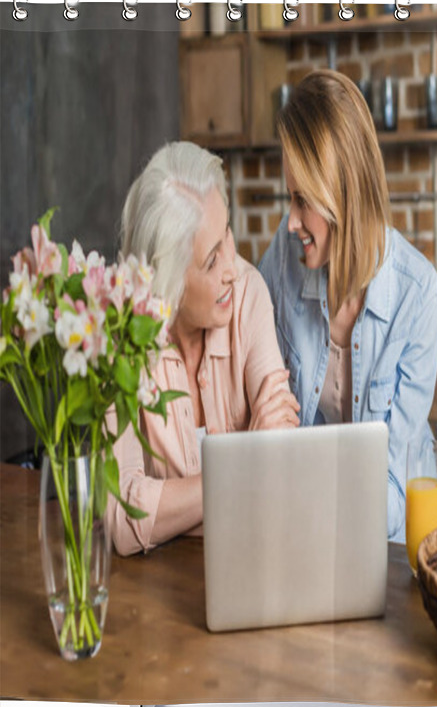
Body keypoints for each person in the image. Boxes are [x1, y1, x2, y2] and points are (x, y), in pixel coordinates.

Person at [258, 69, 437, 542]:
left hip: (401, 540)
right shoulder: (282, 265)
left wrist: (303, 499)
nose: (291, 222)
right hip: (312, 526)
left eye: (304, 200)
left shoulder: (416, 292)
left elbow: (390, 481)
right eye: (290, 197)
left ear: (343, 194)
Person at [110, 141, 300, 556]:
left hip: (254, 559)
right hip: (156, 589)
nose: (232, 267)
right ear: (168, 282)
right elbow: (121, 517)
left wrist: (169, 505)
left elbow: (283, 460)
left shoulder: (248, 294)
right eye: (212, 260)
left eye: (227, 233)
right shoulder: (119, 334)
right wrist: (244, 463)